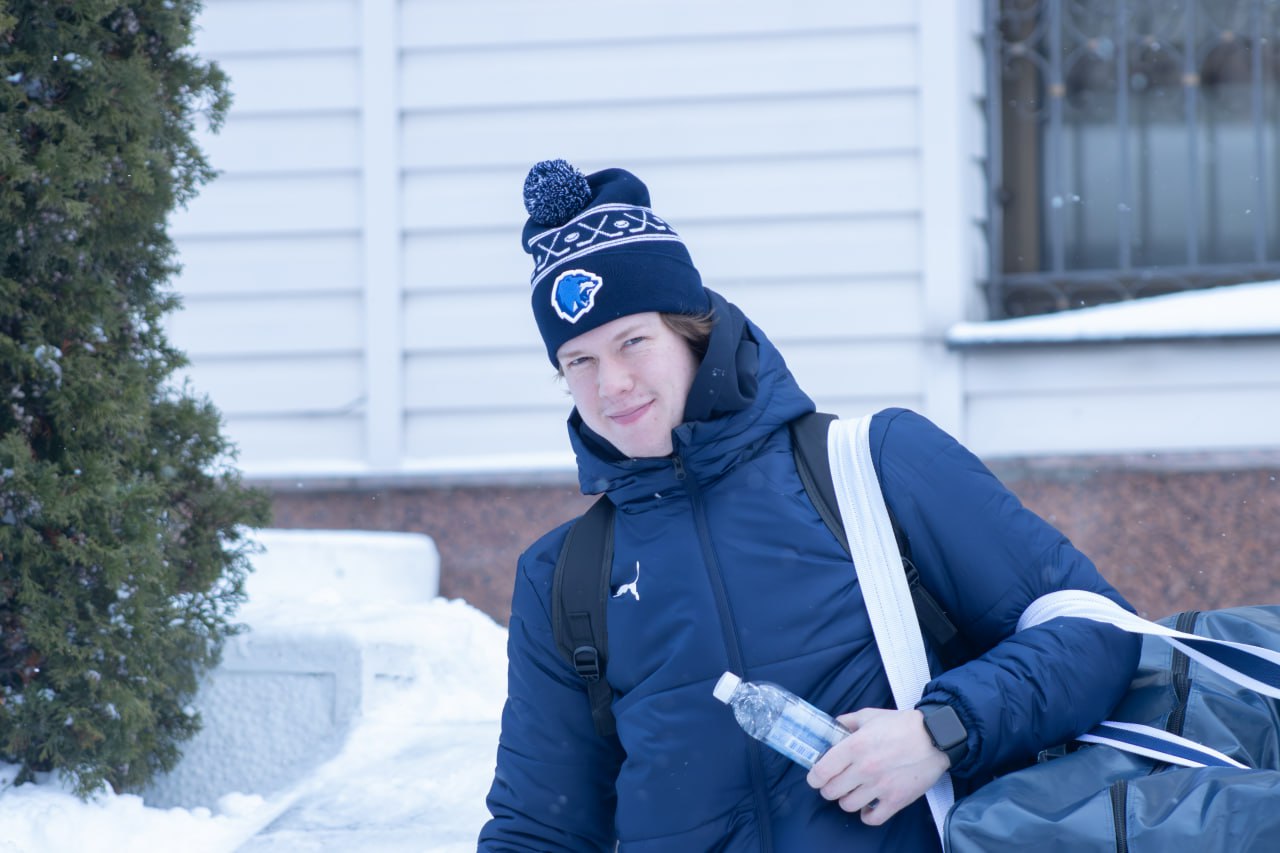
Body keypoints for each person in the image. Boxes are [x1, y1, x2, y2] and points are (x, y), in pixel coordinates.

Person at [478, 160, 1141, 851]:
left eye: (633, 341)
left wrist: (941, 731)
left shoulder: (871, 465)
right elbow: (540, 828)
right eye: (579, 361)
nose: (611, 383)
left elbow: (1096, 629)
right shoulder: (567, 578)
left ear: (692, 331)